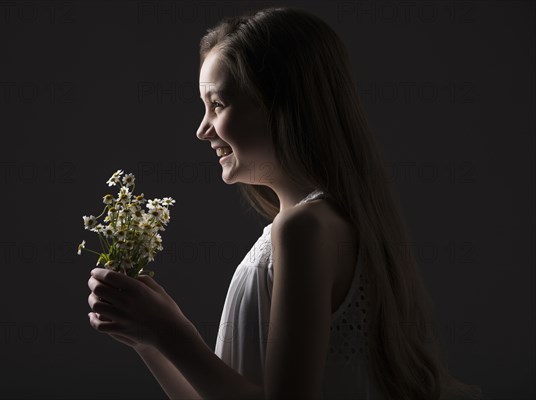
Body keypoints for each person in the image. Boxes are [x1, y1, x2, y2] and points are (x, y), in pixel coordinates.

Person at [87, 6, 483, 400]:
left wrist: (173, 333)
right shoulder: (329, 223)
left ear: (280, 105)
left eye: (218, 105)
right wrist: (150, 342)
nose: (202, 129)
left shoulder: (303, 229)